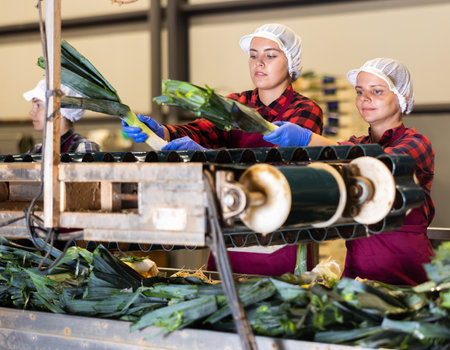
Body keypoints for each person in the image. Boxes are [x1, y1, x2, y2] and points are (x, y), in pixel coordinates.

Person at [122, 23, 324, 276]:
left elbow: (281, 173)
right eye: (253, 55)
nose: (259, 63)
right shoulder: (236, 103)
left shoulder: (305, 109)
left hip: (281, 228)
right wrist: (162, 132)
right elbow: (203, 130)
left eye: (270, 55)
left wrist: (210, 159)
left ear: (291, 62)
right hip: (232, 226)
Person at [264, 57, 434, 285]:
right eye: (360, 91)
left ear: (401, 96)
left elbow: (378, 166)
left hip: (408, 275)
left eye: (377, 91)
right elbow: (329, 160)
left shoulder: (416, 143)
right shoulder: (354, 144)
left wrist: (307, 138)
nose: (365, 99)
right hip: (358, 275)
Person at [23, 79, 101, 154]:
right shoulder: (36, 150)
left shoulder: (83, 148)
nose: (31, 112)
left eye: (38, 105)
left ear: (60, 112)